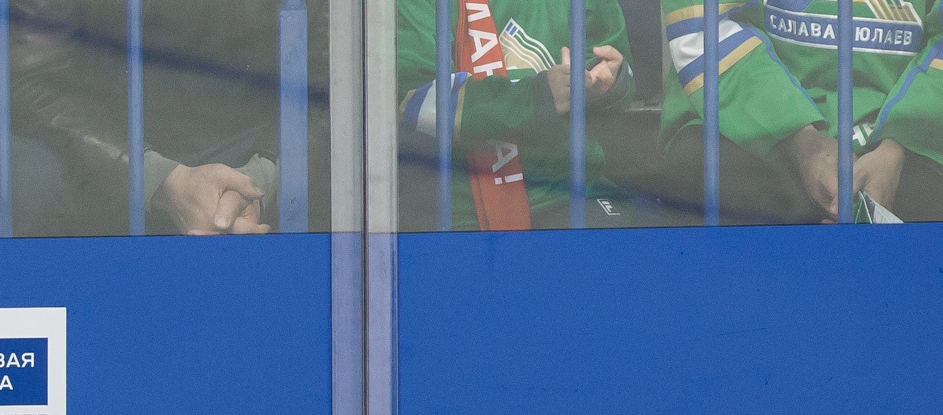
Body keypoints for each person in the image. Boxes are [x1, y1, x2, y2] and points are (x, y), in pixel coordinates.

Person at [0, 0, 312, 238]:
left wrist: (259, 179)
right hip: (95, 142)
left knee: (355, 192)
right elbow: (28, 79)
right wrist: (160, 178)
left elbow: (336, 80)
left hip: (252, 146)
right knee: (13, 181)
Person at [657, 0, 943, 222]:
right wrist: (801, 141)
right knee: (703, 176)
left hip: (911, 135)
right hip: (746, 129)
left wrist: (898, 149)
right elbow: (702, 25)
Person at [396, 0, 638, 228]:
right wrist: (536, 95)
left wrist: (602, 86)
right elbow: (412, 96)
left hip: (570, 190)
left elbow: (617, 72)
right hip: (459, 209)